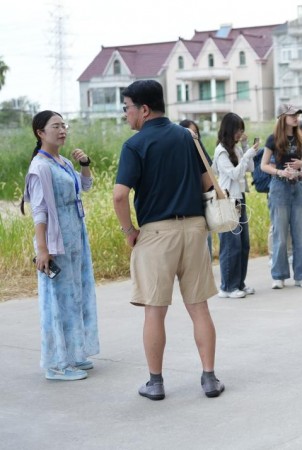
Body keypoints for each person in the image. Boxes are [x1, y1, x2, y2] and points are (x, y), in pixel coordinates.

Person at [113, 80, 224, 400]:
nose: (125, 114)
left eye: (127, 107)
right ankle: (209, 378)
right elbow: (207, 182)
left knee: (154, 311)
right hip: (193, 229)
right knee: (199, 308)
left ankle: (156, 382)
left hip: (156, 234)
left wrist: (129, 232)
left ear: (143, 110)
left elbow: (120, 196)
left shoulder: (134, 145)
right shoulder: (188, 137)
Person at [22, 110, 99, 381]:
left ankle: (75, 353)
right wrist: (42, 249)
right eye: (55, 126)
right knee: (58, 300)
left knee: (76, 295)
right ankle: (56, 364)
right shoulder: (41, 166)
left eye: (64, 125)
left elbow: (85, 187)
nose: (62, 130)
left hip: (74, 235)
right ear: (40, 133)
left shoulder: (63, 161)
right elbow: (39, 211)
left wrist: (85, 164)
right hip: (56, 241)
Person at [261, 103, 302, 289]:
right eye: (292, 114)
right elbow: (264, 165)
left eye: (297, 114)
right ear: (282, 117)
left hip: (298, 186)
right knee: (280, 234)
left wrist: (301, 164)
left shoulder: (301, 138)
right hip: (279, 187)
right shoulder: (273, 139)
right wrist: (281, 173)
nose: (296, 117)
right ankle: (278, 275)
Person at [212, 112, 258, 298]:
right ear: (230, 129)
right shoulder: (221, 151)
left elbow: (250, 169)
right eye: (238, 130)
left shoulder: (236, 149)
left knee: (243, 244)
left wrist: (246, 148)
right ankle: (227, 287)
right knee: (231, 245)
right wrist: (247, 154)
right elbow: (234, 175)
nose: (241, 133)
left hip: (239, 199)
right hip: (226, 200)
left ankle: (239, 283)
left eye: (242, 130)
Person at [179, 119, 214, 256]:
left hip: (200, 205)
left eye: (196, 133)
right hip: (184, 210)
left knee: (206, 243)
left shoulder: (199, 149)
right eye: (192, 133)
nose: (195, 136)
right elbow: (208, 182)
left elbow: (209, 182)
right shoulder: (181, 152)